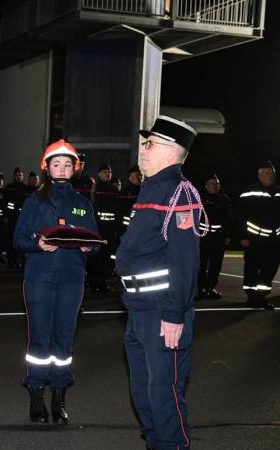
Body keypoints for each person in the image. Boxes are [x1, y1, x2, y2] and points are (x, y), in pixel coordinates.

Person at [116, 115, 205, 450]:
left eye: (149, 144)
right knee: (143, 392)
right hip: (138, 310)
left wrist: (174, 314)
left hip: (161, 313)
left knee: (164, 396)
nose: (143, 149)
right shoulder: (150, 189)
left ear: (171, 151)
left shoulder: (178, 192)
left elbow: (185, 261)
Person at [14, 139, 98, 425]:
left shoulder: (82, 203)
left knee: (64, 339)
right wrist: (38, 244)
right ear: (47, 168)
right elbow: (18, 240)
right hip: (39, 278)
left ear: (74, 169)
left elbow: (96, 242)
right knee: (39, 337)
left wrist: (90, 247)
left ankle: (59, 397)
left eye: (67, 164)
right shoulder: (33, 201)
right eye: (56, 164)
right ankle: (36, 394)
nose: (61, 169)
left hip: (72, 279)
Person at [237, 160, 280, 310]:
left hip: (275, 240)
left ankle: (262, 297)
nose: (270, 176)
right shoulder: (250, 191)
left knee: (270, 268)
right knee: (252, 268)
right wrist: (243, 236)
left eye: (272, 173)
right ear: (259, 175)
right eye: (266, 173)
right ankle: (252, 298)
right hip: (254, 239)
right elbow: (240, 215)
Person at [198, 173, 231, 299]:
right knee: (201, 264)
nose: (214, 186)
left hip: (218, 237)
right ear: (206, 186)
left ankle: (210, 288)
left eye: (216, 184)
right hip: (203, 237)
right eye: (212, 183)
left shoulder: (225, 200)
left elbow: (229, 219)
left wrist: (227, 235)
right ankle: (200, 288)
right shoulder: (199, 198)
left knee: (215, 265)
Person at [88, 163, 119, 292]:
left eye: (110, 172)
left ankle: (102, 282)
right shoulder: (95, 188)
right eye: (105, 172)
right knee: (96, 256)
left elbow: (118, 210)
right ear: (99, 174)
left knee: (106, 257)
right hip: (97, 228)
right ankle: (93, 281)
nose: (108, 174)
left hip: (110, 230)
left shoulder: (114, 190)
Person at [4, 167, 31, 268]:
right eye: (17, 175)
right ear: (14, 176)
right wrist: (6, 216)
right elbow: (5, 204)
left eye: (20, 175)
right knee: (10, 239)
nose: (18, 177)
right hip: (11, 217)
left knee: (19, 239)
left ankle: (17, 259)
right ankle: (11, 259)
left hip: (22, 218)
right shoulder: (9, 188)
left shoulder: (25, 188)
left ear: (22, 176)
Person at [116, 165, 142, 235]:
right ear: (130, 178)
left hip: (140, 229)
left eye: (140, 175)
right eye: (136, 175)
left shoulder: (144, 192)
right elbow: (119, 213)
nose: (139, 177)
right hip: (126, 230)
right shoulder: (124, 193)